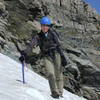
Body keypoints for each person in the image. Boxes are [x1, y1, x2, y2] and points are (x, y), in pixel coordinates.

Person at [19, 16, 67, 98]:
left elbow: (59, 46)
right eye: (43, 25)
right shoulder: (38, 36)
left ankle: (60, 92)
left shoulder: (53, 34)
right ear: (41, 26)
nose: (45, 27)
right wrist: (25, 54)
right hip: (46, 56)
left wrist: (63, 57)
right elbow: (31, 45)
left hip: (56, 54)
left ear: (49, 26)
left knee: (58, 74)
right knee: (50, 73)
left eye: (47, 25)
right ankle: (54, 92)